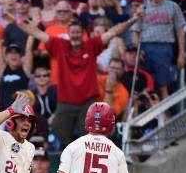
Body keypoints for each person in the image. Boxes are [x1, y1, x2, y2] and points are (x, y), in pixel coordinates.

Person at [20, 12, 141, 148]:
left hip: (87, 103)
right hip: (65, 102)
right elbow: (37, 34)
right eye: (73, 32)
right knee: (58, 136)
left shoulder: (91, 45)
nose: (75, 35)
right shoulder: (60, 45)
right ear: (68, 33)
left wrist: (132, 20)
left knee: (89, 140)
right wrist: (19, 22)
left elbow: (113, 32)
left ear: (83, 33)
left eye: (78, 32)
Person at [131, 0, 186, 99]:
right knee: (144, 84)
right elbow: (135, 31)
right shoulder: (142, 8)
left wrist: (181, 53)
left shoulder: (173, 6)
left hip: (164, 47)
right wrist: (137, 50)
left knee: (163, 85)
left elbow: (180, 30)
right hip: (145, 48)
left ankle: (166, 115)